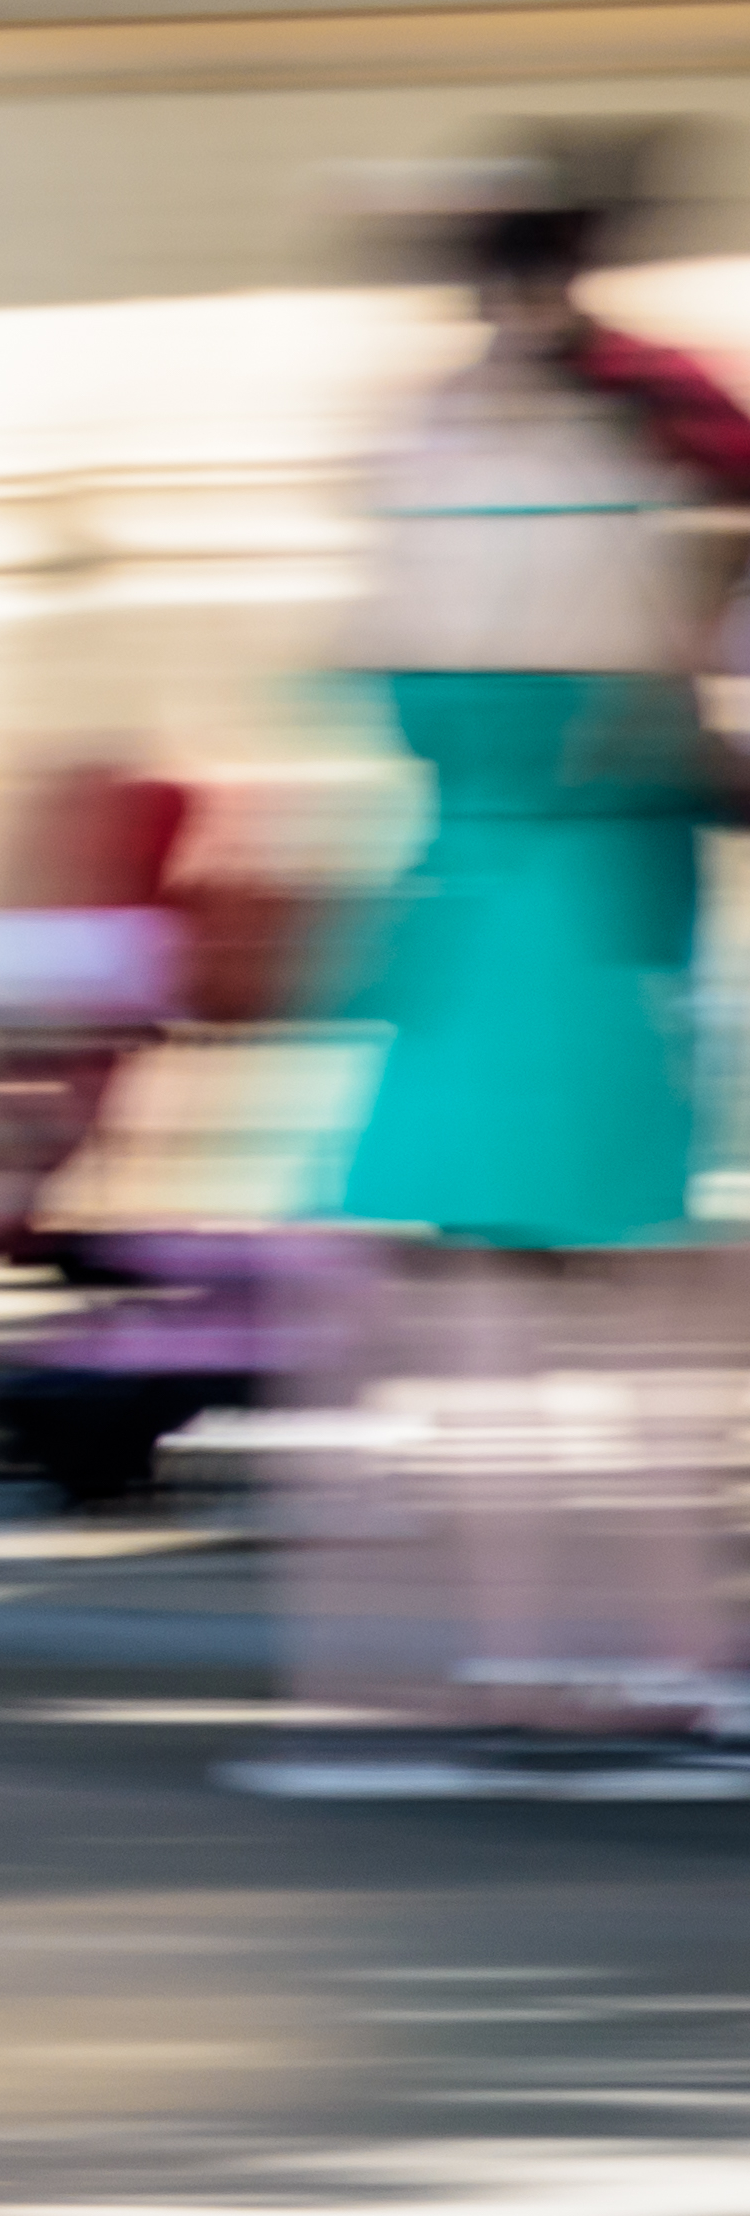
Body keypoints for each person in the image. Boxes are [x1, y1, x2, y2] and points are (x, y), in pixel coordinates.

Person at [253, 137, 750, 1801]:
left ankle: (519, 1653)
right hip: (608, 889)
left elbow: (370, 675)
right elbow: (671, 705)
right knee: (652, 1293)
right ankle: (677, 1654)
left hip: (462, 884)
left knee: (479, 1288)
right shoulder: (645, 431)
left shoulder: (418, 441)